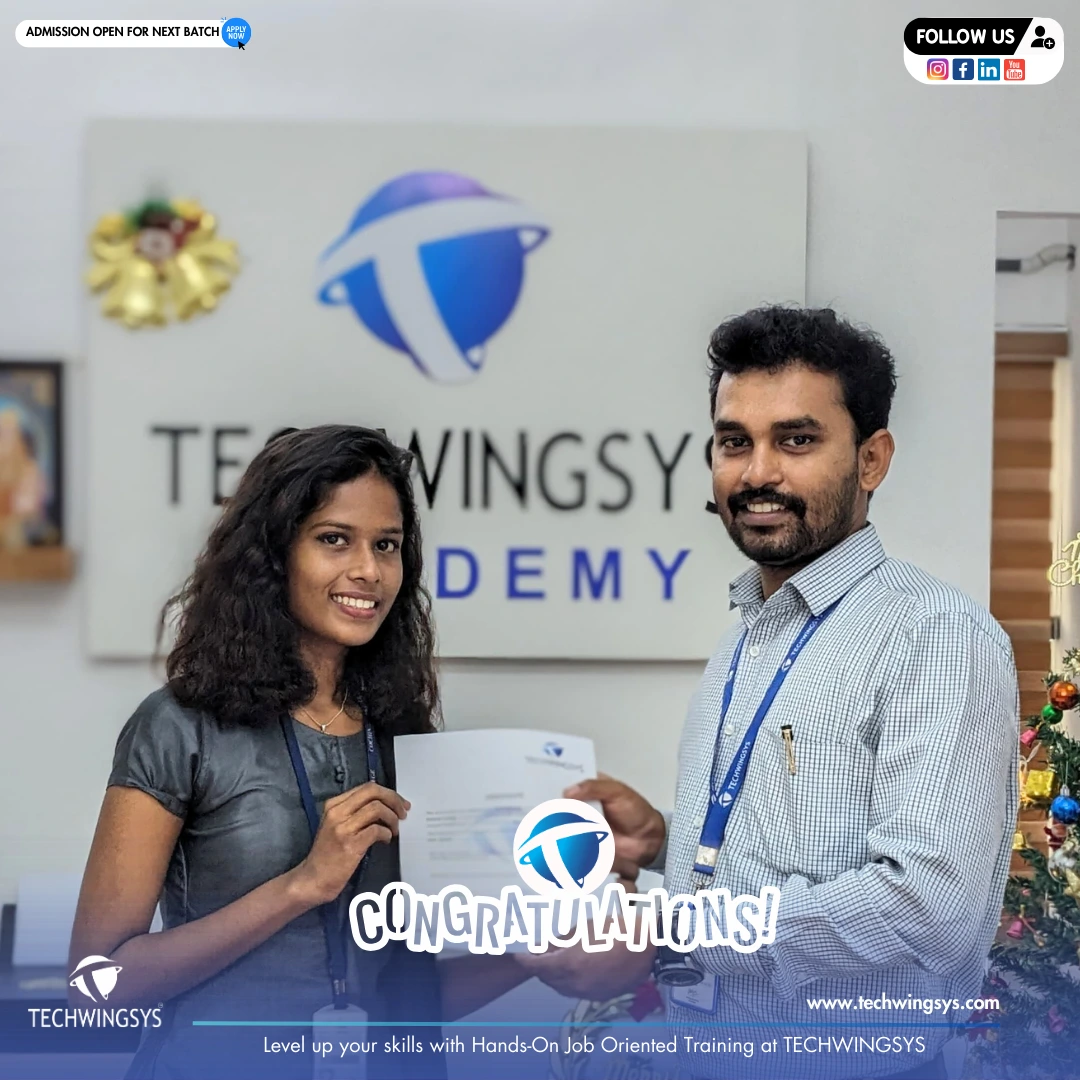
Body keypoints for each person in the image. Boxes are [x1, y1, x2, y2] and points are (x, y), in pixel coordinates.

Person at [519, 306, 1020, 1080]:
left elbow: (929, 909)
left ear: (872, 460)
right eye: (734, 442)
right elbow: (790, 850)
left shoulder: (935, 637)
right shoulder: (746, 636)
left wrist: (671, 931)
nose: (757, 473)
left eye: (796, 440)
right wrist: (664, 841)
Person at [70, 426, 527, 1080]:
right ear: (273, 552)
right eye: (334, 539)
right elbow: (93, 989)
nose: (368, 570)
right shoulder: (179, 727)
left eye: (387, 545)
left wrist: (539, 957)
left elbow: (408, 1003)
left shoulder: (402, 734)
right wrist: (300, 887)